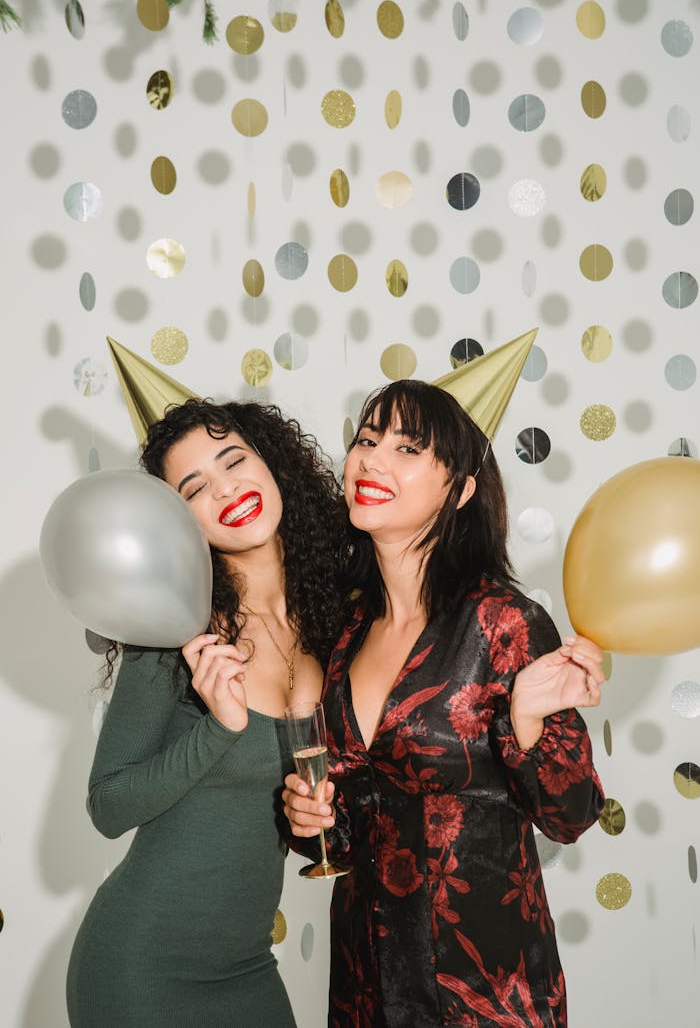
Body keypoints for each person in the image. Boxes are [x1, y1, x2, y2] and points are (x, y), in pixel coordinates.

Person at [283, 379, 606, 1028]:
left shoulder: (503, 622)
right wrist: (308, 818)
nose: (372, 460)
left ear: (459, 489)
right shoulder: (344, 635)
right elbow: (345, 834)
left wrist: (527, 723)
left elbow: (572, 813)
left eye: (407, 449)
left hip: (483, 990)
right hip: (363, 988)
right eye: (367, 441)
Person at [66, 398, 345, 1028]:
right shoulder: (177, 632)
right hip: (142, 968)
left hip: (248, 967)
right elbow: (107, 807)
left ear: (272, 464)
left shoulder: (331, 618)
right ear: (177, 521)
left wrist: (311, 822)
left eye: (234, 460)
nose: (227, 489)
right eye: (195, 488)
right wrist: (218, 729)